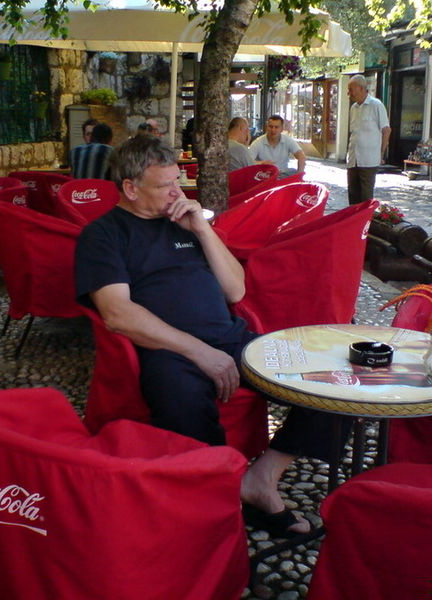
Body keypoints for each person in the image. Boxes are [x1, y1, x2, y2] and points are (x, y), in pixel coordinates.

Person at [75, 135, 346, 538]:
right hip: (168, 350)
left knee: (334, 382)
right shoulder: (104, 235)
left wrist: (202, 230)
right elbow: (117, 314)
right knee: (181, 401)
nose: (178, 192)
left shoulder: (184, 222)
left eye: (178, 181)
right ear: (130, 188)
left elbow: (236, 291)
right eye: (165, 185)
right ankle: (211, 505)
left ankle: (260, 479)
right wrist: (200, 352)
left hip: (231, 337)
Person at [346, 74, 391, 205]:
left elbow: (386, 130)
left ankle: (366, 218)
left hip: (368, 159)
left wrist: (381, 153)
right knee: (353, 196)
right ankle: (353, 218)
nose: (349, 93)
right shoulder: (353, 108)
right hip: (353, 159)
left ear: (361, 88)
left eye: (351, 89)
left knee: (365, 197)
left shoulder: (376, 105)